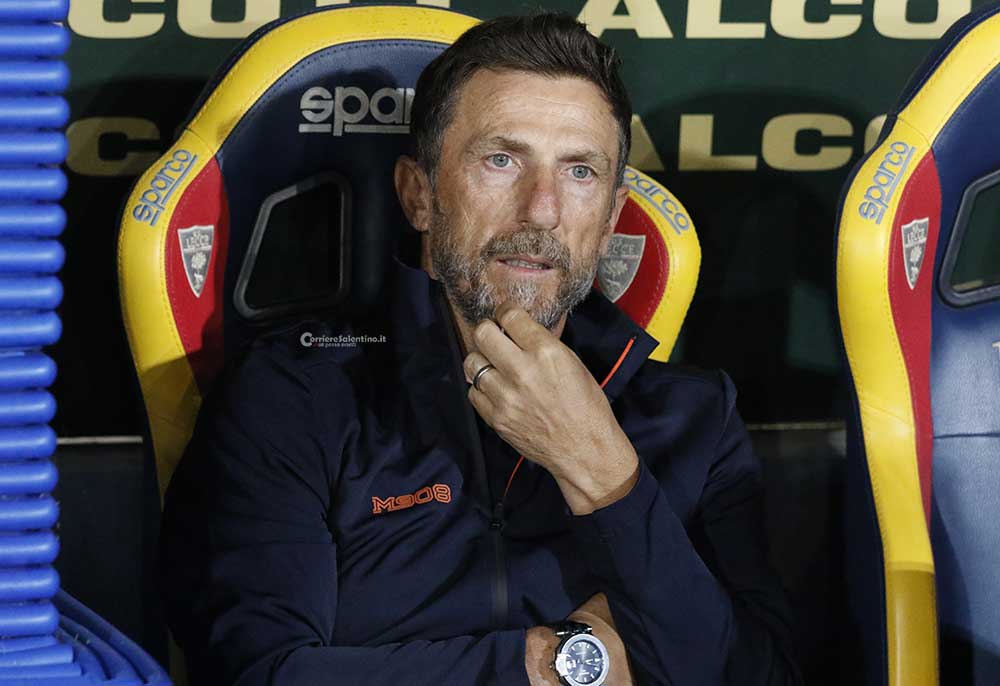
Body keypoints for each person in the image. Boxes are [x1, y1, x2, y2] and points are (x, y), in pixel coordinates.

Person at [158, 12, 801, 686]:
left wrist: (604, 472)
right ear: (419, 196)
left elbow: (761, 678)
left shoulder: (695, 418)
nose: (542, 210)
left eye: (580, 171)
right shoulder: (296, 394)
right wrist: (559, 665)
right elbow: (259, 673)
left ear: (610, 220)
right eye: (501, 160)